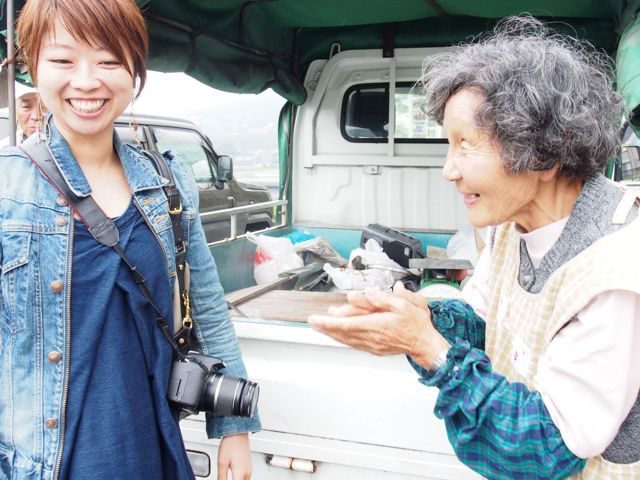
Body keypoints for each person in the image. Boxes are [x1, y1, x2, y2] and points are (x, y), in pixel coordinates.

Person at [309, 17, 640, 480]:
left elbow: (546, 448)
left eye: (466, 145)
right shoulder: (512, 225)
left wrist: (428, 348)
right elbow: (487, 322)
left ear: (543, 154)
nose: (449, 170)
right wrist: (423, 317)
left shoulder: (616, 266)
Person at [0, 0, 259, 479]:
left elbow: (206, 305)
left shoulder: (168, 184)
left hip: (149, 448)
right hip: (43, 460)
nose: (86, 81)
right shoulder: (7, 187)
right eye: (63, 60)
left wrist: (235, 426)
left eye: (108, 60)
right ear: (33, 66)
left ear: (135, 69)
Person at [0, 82, 40, 147]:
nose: (36, 116)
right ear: (15, 109)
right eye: (26, 107)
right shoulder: (4, 149)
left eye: (43, 107)